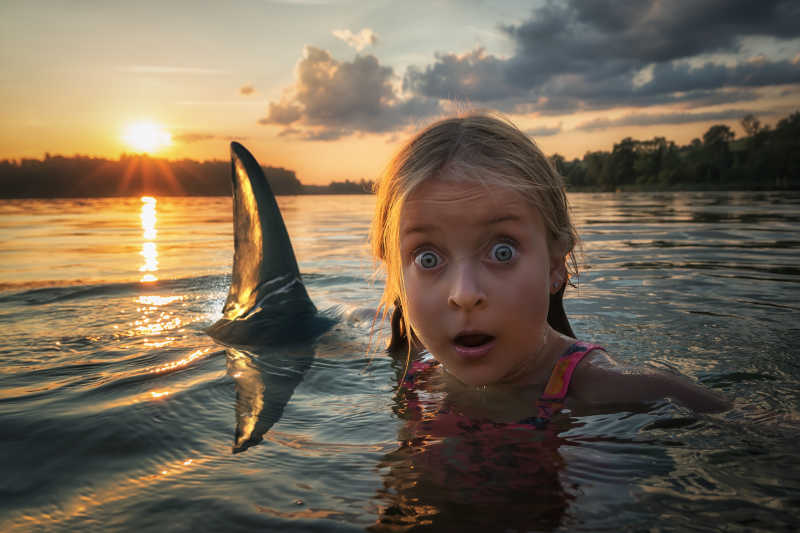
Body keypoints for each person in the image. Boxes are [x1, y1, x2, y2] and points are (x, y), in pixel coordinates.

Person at [369, 113, 729, 420]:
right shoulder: (415, 365)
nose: (464, 294)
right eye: (427, 258)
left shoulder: (616, 390)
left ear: (556, 264)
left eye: (502, 252)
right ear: (397, 278)